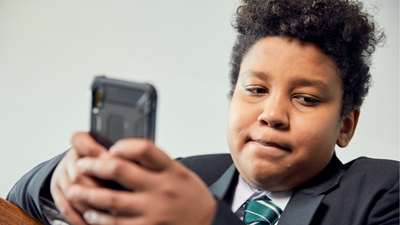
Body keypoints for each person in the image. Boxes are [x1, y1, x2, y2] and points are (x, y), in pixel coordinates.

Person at [7, 0, 399, 224]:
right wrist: (60, 179)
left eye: (306, 99)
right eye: (256, 90)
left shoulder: (383, 193)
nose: (273, 113)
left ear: (345, 126)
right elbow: (16, 205)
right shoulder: (184, 176)